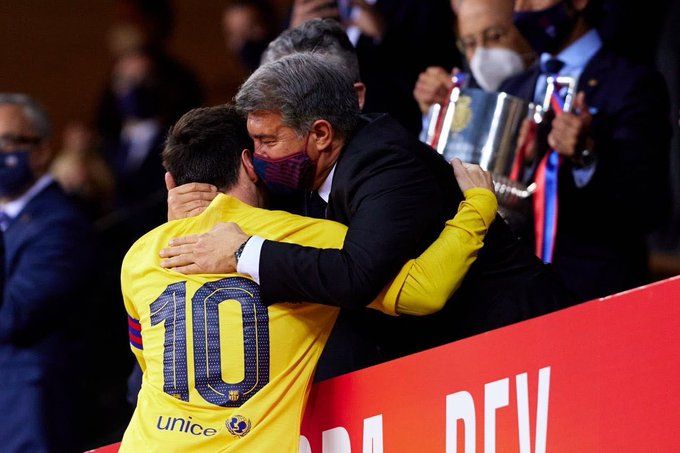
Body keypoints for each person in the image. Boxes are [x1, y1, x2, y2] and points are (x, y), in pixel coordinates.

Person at [161, 53, 573, 379]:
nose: (259, 156)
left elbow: (355, 277)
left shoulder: (386, 165)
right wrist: (192, 217)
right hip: (453, 352)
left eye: (267, 140)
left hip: (524, 336)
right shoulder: (309, 170)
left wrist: (242, 252)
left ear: (321, 133)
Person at [120, 104, 497, 451]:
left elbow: (149, 360)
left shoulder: (139, 256)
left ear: (171, 183)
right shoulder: (306, 237)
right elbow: (424, 291)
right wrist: (478, 206)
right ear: (252, 164)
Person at [499, 0, 671, 300]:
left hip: (597, 295)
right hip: (521, 296)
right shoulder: (513, 88)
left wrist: (586, 157)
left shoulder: (631, 83)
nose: (522, 7)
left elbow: (650, 206)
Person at [0, 94, 95, 452]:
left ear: (40, 150)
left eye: (7, 141)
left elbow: (13, 315)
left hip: (32, 407)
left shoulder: (61, 224)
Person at [289, 0, 461, 133]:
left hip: (392, 137)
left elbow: (435, 79)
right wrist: (292, 38)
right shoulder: (310, 7)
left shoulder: (423, 5)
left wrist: (384, 35)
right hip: (319, 132)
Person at [413, 0, 534, 116]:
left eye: (495, 36)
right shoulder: (464, 93)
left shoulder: (548, 85)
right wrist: (436, 111)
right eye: (470, 43)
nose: (481, 53)